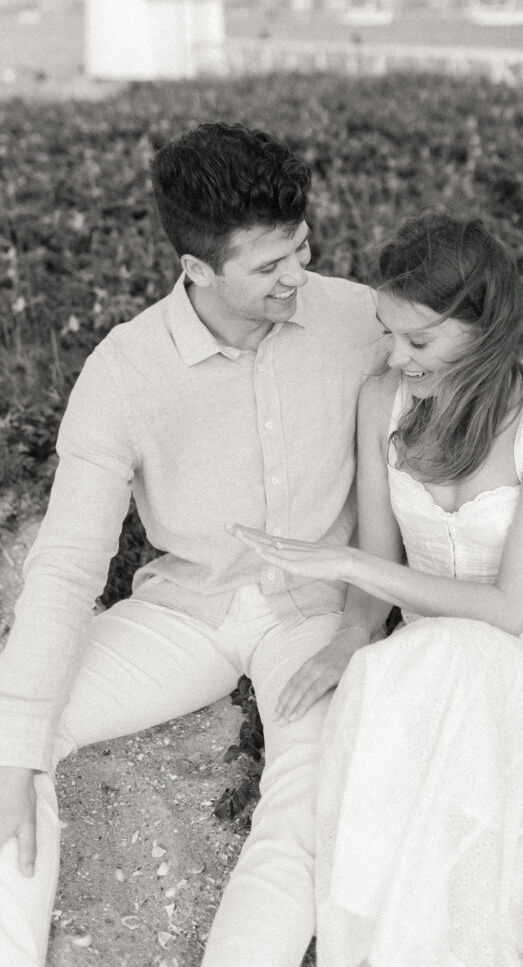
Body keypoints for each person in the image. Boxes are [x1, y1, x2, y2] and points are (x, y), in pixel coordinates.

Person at [0, 121, 383, 967]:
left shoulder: (360, 320)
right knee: (6, 739)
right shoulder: (124, 369)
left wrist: (363, 623)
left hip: (314, 617)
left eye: (302, 250)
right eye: (269, 266)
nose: (297, 278)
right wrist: (19, 744)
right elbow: (66, 565)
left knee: (316, 794)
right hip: (185, 610)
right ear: (196, 269)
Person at [232, 214, 523, 967]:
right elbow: (381, 554)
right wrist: (350, 636)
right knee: (395, 677)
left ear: (482, 329)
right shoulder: (380, 400)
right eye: (387, 333)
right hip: (423, 673)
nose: (396, 357)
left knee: (441, 657)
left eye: (417, 341)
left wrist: (348, 567)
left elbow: (511, 610)